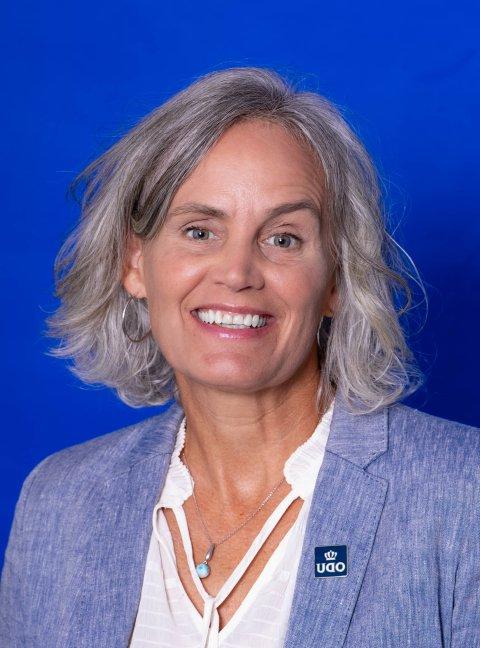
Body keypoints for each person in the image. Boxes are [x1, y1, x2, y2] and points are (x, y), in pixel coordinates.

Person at [1, 66, 478, 648]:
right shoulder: (59, 501)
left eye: (283, 238)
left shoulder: (462, 495)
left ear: (336, 280)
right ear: (134, 262)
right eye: (200, 230)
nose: (236, 273)